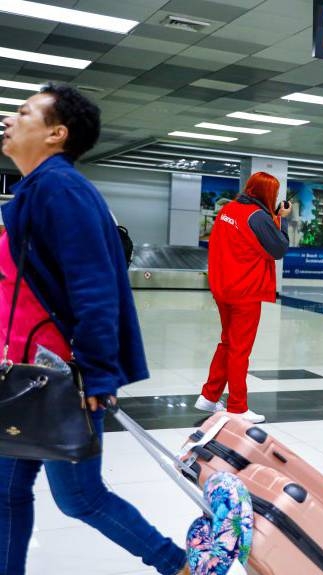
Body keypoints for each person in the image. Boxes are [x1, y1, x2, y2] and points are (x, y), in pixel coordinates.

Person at [0, 84, 189, 575]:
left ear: (56, 133)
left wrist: (97, 374)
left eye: (24, 113)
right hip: (24, 377)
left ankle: (180, 566)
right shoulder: (36, 189)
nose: (11, 120)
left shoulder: (60, 189)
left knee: (82, 497)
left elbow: (94, 286)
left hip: (60, 379)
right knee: (6, 492)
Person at [195, 171, 290, 424]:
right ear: (267, 193)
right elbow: (279, 248)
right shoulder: (258, 217)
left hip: (223, 287)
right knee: (240, 349)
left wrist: (274, 217)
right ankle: (238, 406)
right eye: (275, 193)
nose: (277, 197)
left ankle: (209, 395)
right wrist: (282, 221)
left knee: (227, 342)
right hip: (245, 291)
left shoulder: (228, 210)